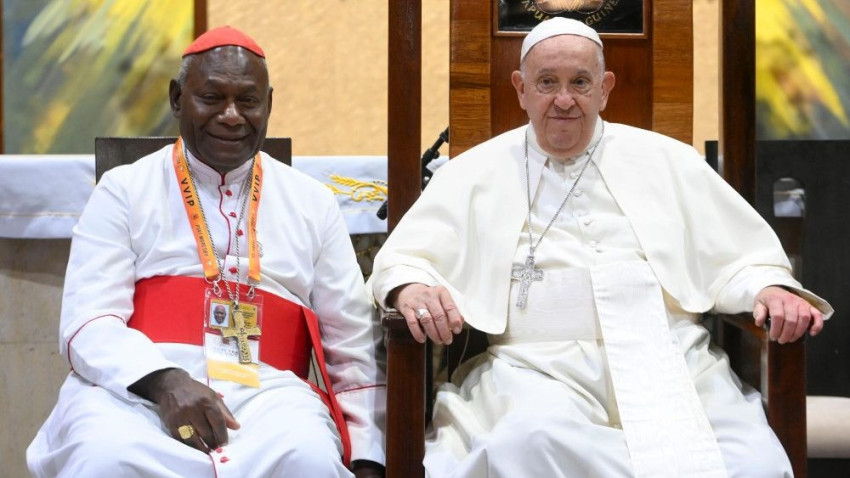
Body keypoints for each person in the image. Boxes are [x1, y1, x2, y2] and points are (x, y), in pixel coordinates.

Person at [368, 17, 832, 478]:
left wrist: (769, 289)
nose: (564, 99)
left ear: (604, 89)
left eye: (580, 82)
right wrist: (412, 288)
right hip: (533, 368)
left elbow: (740, 258)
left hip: (672, 359)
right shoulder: (474, 171)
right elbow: (405, 261)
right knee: (526, 442)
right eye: (547, 82)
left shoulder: (668, 160)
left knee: (750, 462)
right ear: (521, 89)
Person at [28, 26, 385, 478]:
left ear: (269, 105)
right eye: (212, 98)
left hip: (272, 398)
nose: (232, 116)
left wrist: (368, 458)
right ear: (178, 99)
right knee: (105, 456)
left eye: (248, 101)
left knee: (308, 457)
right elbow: (89, 320)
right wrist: (163, 381)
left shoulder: (313, 202)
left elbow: (352, 342)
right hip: (137, 393)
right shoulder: (124, 190)